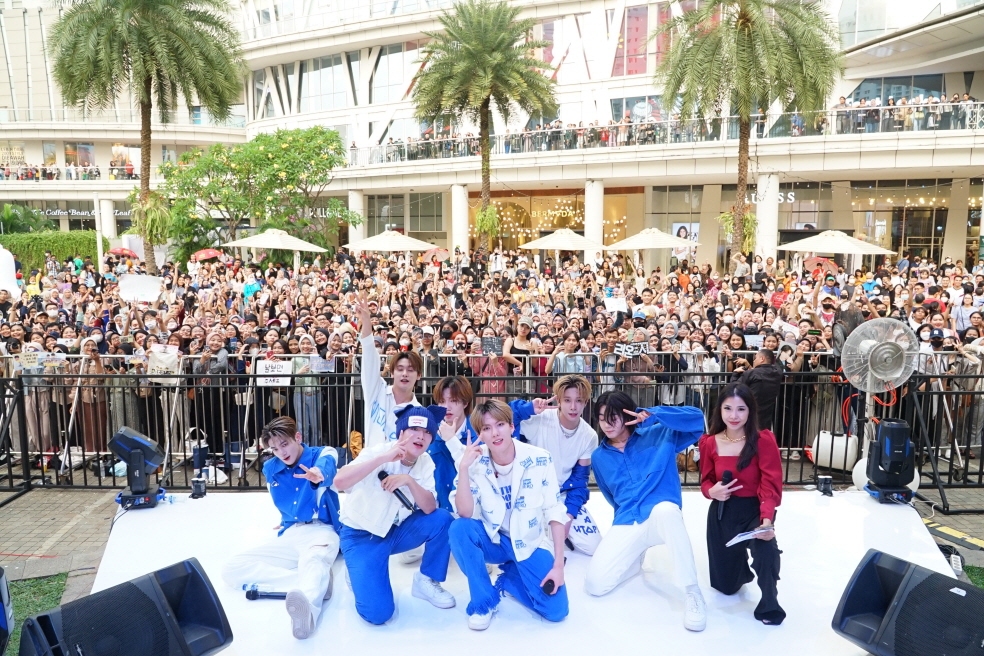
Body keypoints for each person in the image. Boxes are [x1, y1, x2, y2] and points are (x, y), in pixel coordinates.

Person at [586, 390, 707, 632]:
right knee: (595, 585)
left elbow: (697, 420)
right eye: (601, 419)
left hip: (660, 515)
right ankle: (634, 556)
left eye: (613, 418)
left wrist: (654, 414)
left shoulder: (660, 433)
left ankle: (692, 591)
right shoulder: (598, 457)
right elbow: (611, 497)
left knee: (667, 511)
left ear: (627, 415)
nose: (607, 425)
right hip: (628, 519)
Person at [449, 399, 570, 630]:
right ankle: (484, 602)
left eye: (500, 425)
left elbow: (554, 512)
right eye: (486, 428)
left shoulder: (540, 458)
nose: (495, 433)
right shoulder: (474, 462)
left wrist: (558, 566)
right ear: (480, 435)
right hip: (493, 540)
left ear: (512, 426)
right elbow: (464, 512)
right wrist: (463, 468)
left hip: (529, 542)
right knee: (459, 528)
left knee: (556, 611)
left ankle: (510, 579)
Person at [333, 404, 455, 625]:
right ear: (401, 432)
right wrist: (382, 459)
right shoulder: (378, 451)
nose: (421, 436)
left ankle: (426, 580)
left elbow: (430, 508)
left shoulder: (426, 462)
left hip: (395, 532)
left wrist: (409, 481)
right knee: (378, 614)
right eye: (414, 429)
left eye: (427, 432)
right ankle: (357, 568)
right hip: (361, 537)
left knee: (443, 519)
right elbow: (339, 482)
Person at [222, 417, 341, 639]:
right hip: (291, 532)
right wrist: (287, 520)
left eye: (285, 444)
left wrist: (318, 475)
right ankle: (316, 582)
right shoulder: (270, 468)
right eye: (275, 449)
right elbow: (283, 500)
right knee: (232, 568)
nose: (281, 452)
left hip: (322, 530)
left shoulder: (323, 453)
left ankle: (307, 613)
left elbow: (327, 468)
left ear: (298, 437)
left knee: (313, 560)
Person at [698, 383, 784, 625]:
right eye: (728, 408)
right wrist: (711, 491)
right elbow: (706, 481)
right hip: (722, 513)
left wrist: (766, 520)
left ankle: (770, 603)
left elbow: (770, 483)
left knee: (766, 550)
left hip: (755, 509)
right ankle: (739, 568)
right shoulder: (709, 442)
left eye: (741, 409)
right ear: (719, 410)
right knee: (726, 588)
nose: (733, 416)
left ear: (750, 411)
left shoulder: (763, 440)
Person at [513, 374, 600, 555]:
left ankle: (555, 527)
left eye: (579, 400)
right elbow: (502, 419)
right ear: (558, 400)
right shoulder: (540, 419)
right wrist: (527, 409)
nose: (573, 407)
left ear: (586, 402)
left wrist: (569, 515)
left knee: (594, 546)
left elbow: (580, 479)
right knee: (529, 549)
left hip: (561, 496)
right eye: (567, 400)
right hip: (530, 493)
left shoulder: (589, 436)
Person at [355, 292, 420, 449]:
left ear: (419, 376)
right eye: (400, 369)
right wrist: (366, 323)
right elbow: (369, 356)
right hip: (371, 462)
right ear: (392, 373)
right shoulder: (377, 390)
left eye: (410, 370)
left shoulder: (418, 412)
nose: (405, 374)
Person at [732, 347, 783, 430]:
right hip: (766, 414)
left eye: (755, 358)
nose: (754, 361)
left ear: (762, 359)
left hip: (749, 412)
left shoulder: (751, 373)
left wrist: (735, 374)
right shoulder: (778, 372)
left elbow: (734, 388)